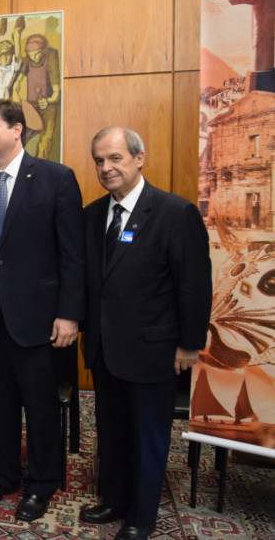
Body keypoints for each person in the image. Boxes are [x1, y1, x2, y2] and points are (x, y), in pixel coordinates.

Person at [0, 99, 84, 521]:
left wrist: (69, 314)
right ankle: (4, 474)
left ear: (18, 130)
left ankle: (42, 483)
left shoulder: (56, 178)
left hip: (40, 319)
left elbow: (72, 255)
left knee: (41, 406)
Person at [79, 128, 211, 540]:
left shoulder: (174, 213)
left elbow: (193, 284)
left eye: (115, 158)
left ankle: (141, 516)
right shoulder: (92, 214)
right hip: (105, 348)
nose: (106, 168)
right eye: (100, 160)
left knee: (147, 436)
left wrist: (190, 343)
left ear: (140, 158)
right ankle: (114, 500)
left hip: (153, 348)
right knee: (112, 430)